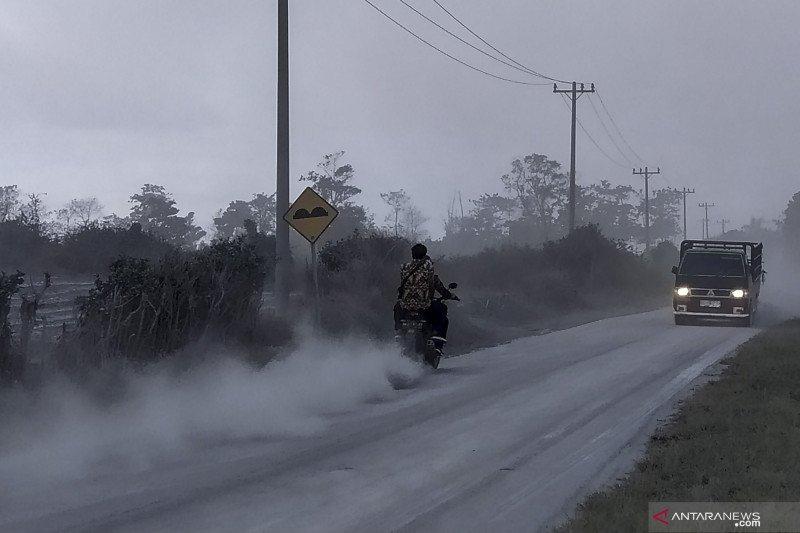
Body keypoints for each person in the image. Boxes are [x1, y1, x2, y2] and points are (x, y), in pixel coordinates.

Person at [394, 243, 456, 350]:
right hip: (423, 305)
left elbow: (403, 286)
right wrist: (430, 297)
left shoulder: (404, 266)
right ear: (425, 253)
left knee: (396, 307)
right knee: (443, 312)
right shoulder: (428, 266)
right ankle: (436, 340)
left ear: (412, 254)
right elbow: (433, 285)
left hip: (405, 305)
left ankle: (399, 331)